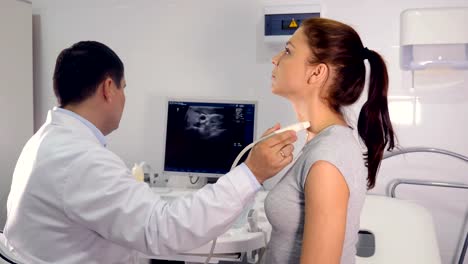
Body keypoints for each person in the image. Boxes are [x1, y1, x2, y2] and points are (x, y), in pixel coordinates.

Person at [3, 41, 297, 264]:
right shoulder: (81, 160)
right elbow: (165, 230)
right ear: (108, 88)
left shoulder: (47, 140)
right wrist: (251, 172)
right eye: (124, 88)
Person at [264, 17, 396, 264]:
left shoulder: (327, 159)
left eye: (288, 51)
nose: (275, 59)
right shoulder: (321, 143)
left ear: (316, 72)